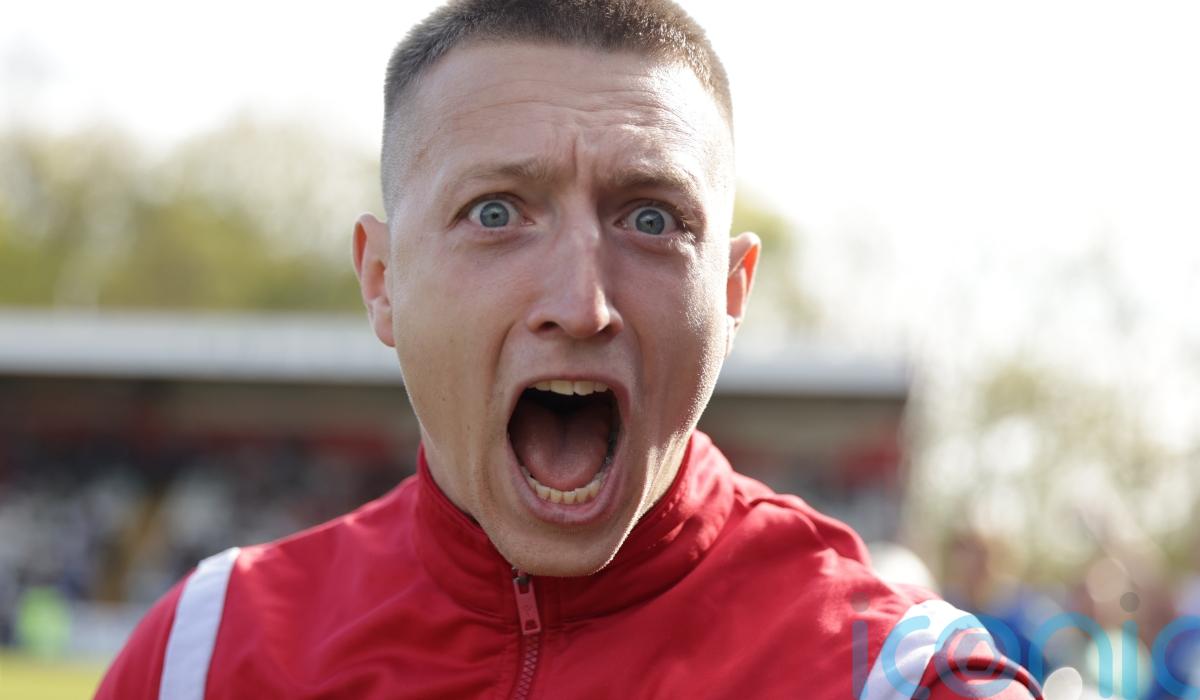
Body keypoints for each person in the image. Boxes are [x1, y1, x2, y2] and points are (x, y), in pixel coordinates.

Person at [96, 1, 1042, 697]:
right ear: (382, 278)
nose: (581, 306)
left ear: (731, 292)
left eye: (651, 219)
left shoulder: (898, 680)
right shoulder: (201, 660)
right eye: (495, 213)